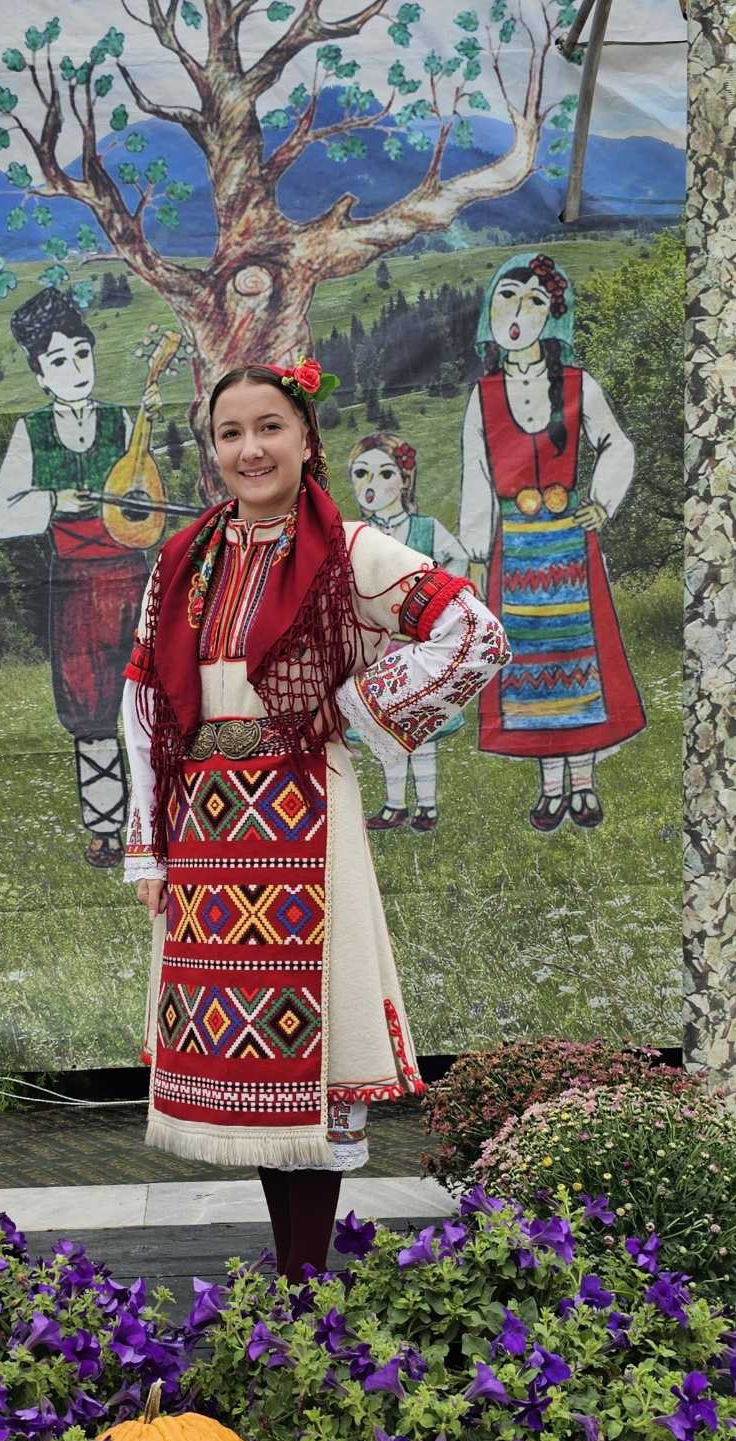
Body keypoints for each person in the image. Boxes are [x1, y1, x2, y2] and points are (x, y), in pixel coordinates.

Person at [122, 358, 510, 1282]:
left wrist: (350, 707)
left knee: (313, 1042)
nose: (249, 449)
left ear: (306, 438)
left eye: (269, 427)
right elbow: (143, 701)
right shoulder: (182, 562)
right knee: (250, 1052)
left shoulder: (352, 552)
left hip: (304, 817)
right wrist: (148, 849)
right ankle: (294, 1272)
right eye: (230, 433)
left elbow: (474, 633)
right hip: (207, 825)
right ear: (212, 449)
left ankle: (306, 1277)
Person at [458, 252, 645, 830]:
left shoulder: (578, 385)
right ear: (491, 309)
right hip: (514, 553)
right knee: (528, 667)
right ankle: (550, 788)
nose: (518, 312)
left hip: (570, 546)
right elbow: (477, 476)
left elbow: (617, 444)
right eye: (508, 297)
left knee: (577, 658)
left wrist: (601, 502)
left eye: (534, 301)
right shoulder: (483, 395)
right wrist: (475, 556)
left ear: (553, 317)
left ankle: (583, 784)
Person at [0, 287, 162, 868]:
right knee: (91, 711)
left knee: (148, 703)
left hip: (130, 581)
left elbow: (148, 505)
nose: (75, 369)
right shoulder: (32, 432)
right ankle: (107, 827)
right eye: (58, 360)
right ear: (40, 374)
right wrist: (53, 499)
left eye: (81, 354)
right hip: (75, 591)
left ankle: (158, 820)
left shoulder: (121, 421)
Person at [347, 431, 468, 833]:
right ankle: (394, 804)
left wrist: (438, 603)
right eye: (361, 474)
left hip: (417, 649)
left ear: (404, 480)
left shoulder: (424, 528)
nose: (372, 485)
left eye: (385, 474)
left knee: (422, 728)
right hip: (378, 653)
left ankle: (427, 806)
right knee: (389, 731)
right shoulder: (355, 535)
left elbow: (457, 558)